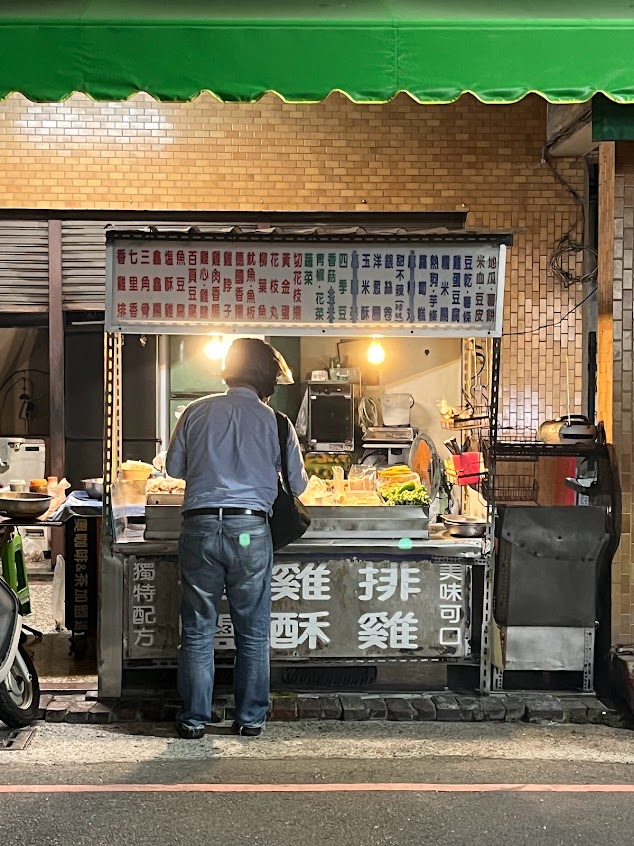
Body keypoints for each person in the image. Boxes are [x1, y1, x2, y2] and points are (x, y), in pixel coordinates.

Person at [166, 338, 308, 739]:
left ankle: (194, 719)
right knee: (252, 629)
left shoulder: (195, 411)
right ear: (268, 376)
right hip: (249, 532)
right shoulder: (277, 422)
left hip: (201, 528)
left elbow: (175, 469)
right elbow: (298, 483)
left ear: (229, 368)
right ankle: (249, 719)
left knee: (197, 628)